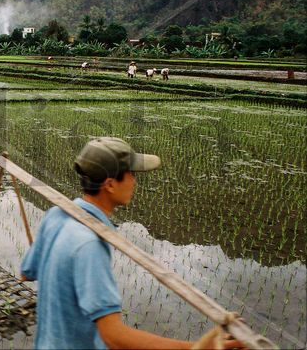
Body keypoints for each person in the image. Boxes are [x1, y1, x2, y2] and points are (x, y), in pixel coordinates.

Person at [20, 137, 244, 350]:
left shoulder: (56, 214)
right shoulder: (89, 244)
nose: (134, 181)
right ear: (109, 184)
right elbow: (114, 338)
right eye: (130, 174)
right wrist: (197, 347)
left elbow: (27, 273)